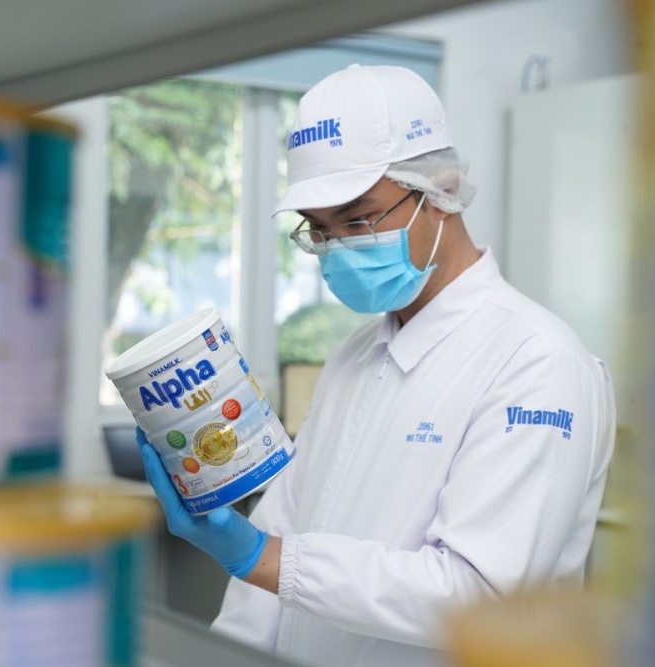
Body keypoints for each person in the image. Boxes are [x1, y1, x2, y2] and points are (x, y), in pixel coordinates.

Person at [138, 64, 616, 667]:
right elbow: (283, 541)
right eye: (319, 230)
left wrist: (260, 556)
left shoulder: (538, 362)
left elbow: (478, 597)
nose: (339, 247)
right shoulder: (354, 355)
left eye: (358, 219)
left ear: (441, 191)